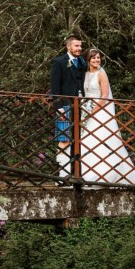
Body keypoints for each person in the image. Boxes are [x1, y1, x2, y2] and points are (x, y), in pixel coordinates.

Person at [80, 48, 135, 184]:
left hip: (100, 111)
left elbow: (105, 95)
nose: (97, 60)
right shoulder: (86, 74)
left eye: (98, 57)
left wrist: (92, 111)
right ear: (88, 60)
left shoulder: (101, 73)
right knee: (88, 141)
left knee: (101, 140)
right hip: (87, 109)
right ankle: (87, 173)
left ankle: (107, 175)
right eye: (93, 58)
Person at [50, 35, 85, 178]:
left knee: (79, 139)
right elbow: (55, 87)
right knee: (63, 139)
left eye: (80, 46)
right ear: (68, 46)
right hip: (65, 106)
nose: (79, 49)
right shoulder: (59, 62)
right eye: (76, 46)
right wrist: (59, 108)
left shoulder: (82, 62)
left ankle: (76, 173)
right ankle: (62, 176)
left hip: (81, 107)